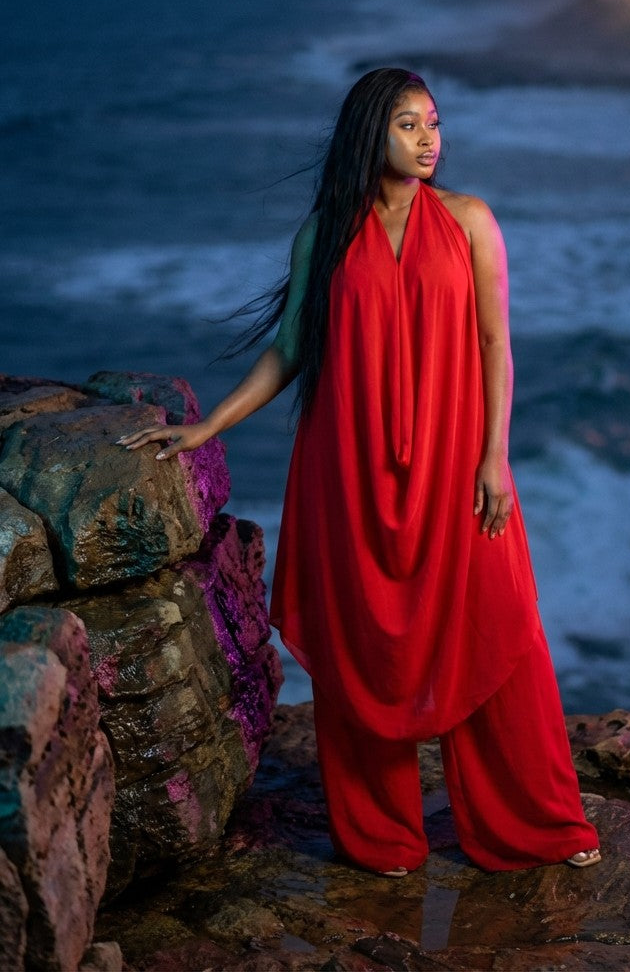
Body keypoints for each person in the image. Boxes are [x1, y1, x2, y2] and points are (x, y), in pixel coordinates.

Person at [118, 68, 601, 876]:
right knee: (361, 640)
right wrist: (208, 425)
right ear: (369, 133)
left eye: (434, 124)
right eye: (409, 125)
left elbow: (494, 345)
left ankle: (535, 821)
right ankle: (383, 837)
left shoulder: (472, 221)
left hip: (455, 465)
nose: (428, 141)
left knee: (496, 624)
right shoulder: (326, 234)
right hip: (347, 470)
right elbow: (290, 352)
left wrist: (495, 458)